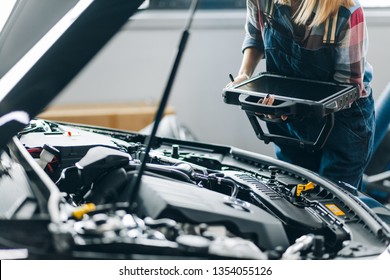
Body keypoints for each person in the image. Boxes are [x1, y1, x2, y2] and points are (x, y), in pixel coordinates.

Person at [228, 0, 375, 192]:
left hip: (342, 125)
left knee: (332, 203)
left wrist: (287, 108)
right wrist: (245, 76)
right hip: (289, 121)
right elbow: (255, 37)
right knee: (292, 199)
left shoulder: (346, 11)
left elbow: (347, 87)